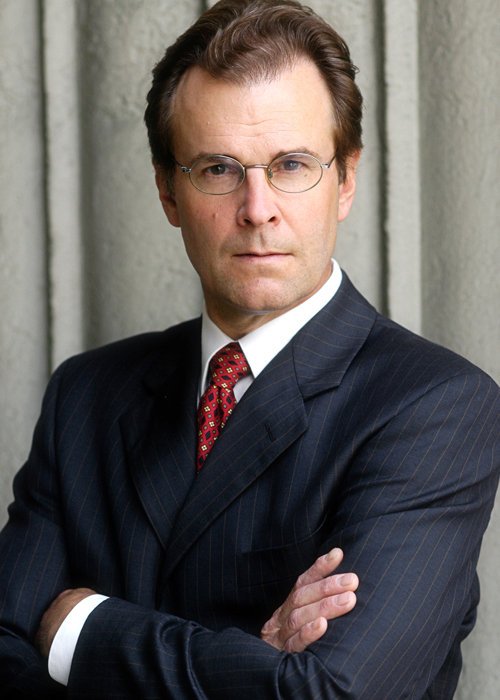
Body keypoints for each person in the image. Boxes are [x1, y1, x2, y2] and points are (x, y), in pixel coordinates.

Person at [1, 0, 498, 697]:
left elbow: (333, 692)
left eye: (292, 164)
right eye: (218, 168)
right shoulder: (84, 395)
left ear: (345, 180)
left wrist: (78, 626)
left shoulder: (434, 407)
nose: (258, 208)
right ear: (168, 191)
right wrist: (254, 661)